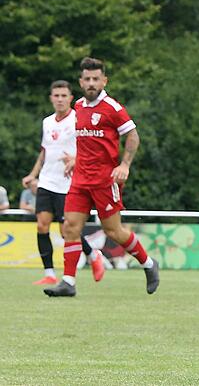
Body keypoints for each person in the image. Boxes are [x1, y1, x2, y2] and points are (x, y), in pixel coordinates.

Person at [44, 57, 159, 297]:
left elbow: (133, 137)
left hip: (105, 181)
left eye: (96, 79)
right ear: (81, 81)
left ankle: (148, 263)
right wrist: (77, 160)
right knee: (70, 227)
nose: (91, 83)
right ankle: (68, 282)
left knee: (113, 231)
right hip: (80, 180)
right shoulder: (79, 107)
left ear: (104, 80)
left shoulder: (113, 108)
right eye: (87, 79)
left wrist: (124, 165)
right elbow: (87, 141)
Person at [22, 80, 106, 285]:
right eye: (56, 95)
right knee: (42, 225)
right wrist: (33, 175)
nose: (59, 99)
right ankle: (49, 274)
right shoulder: (47, 122)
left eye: (63, 95)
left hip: (69, 184)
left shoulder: (78, 119)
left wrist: (77, 160)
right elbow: (44, 151)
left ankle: (93, 255)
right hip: (47, 182)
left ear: (70, 98)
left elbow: (92, 146)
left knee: (66, 230)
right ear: (51, 98)